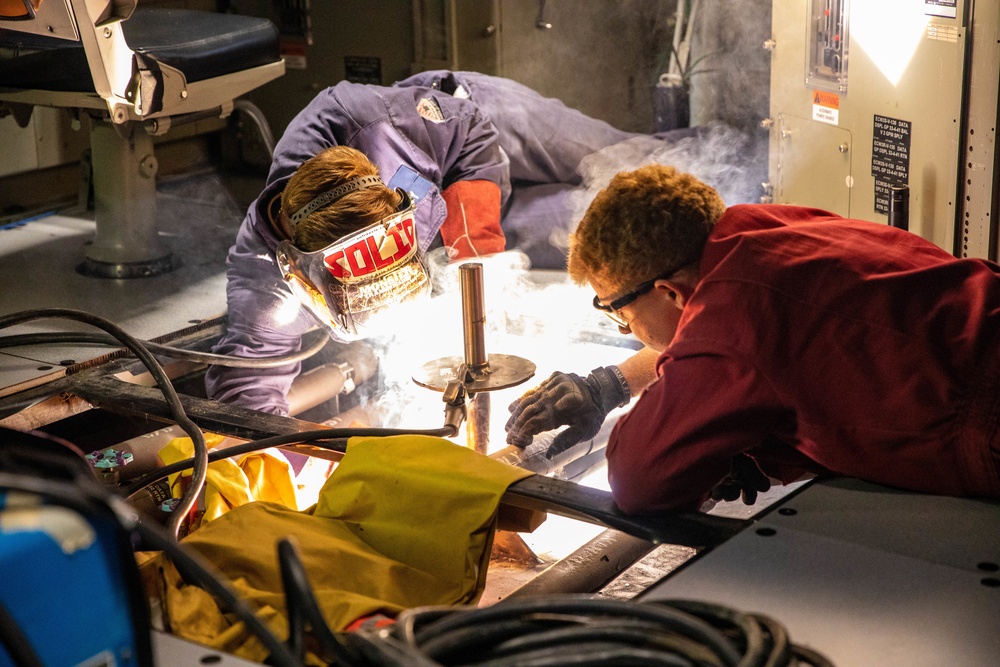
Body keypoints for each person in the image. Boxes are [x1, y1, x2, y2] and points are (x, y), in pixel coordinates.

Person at [205, 71, 709, 416]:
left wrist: (477, 256)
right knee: (608, 235)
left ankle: (753, 141)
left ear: (395, 208)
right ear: (301, 275)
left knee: (654, 174)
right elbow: (246, 400)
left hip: (481, 126)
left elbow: (473, 138)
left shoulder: (381, 127)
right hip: (469, 219)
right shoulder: (265, 286)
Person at [504, 163, 1000, 513]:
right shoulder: (759, 228)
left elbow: (638, 481)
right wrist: (609, 384)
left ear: (668, 292)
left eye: (621, 314)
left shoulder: (732, 320)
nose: (628, 331)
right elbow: (759, 350)